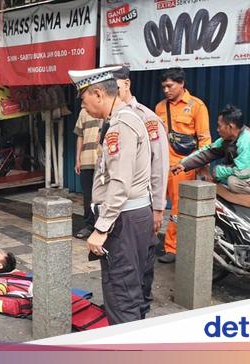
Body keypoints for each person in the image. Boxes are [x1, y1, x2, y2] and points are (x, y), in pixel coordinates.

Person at [69, 66, 154, 325]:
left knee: (121, 294)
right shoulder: (126, 119)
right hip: (135, 216)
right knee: (134, 289)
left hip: (124, 220)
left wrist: (102, 227)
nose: (84, 108)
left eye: (83, 101)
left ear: (97, 93)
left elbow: (119, 181)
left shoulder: (120, 125)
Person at [113, 66, 169, 319]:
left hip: (140, 206)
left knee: (142, 264)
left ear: (125, 84)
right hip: (118, 210)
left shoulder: (146, 117)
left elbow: (159, 164)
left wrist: (158, 207)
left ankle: (140, 313)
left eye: (115, 85)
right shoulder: (111, 118)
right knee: (124, 267)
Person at [154, 67, 211, 264]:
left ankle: (172, 247)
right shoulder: (160, 107)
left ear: (181, 84)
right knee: (155, 205)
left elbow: (204, 141)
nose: (166, 90)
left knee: (177, 209)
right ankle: (152, 239)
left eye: (170, 86)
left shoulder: (197, 106)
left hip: (183, 168)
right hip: (161, 167)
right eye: (163, 87)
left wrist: (203, 167)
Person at [171, 105, 250, 197]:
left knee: (234, 182)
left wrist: (216, 172)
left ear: (230, 126)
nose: (217, 130)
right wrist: (183, 164)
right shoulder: (228, 139)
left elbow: (242, 172)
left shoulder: (247, 140)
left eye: (219, 126)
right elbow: (208, 151)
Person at [73, 108, 103, 239]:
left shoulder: (107, 108)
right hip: (86, 159)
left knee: (103, 195)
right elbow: (80, 136)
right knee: (87, 195)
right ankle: (89, 225)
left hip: (103, 160)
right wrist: (77, 159)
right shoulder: (83, 112)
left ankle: (102, 226)